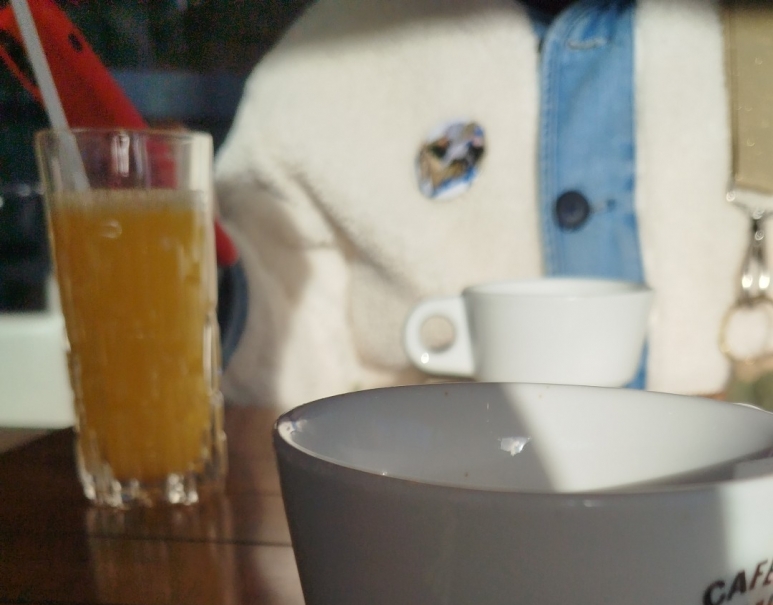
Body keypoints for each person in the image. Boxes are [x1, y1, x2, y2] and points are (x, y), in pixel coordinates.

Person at [214, 0, 750, 412]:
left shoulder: (754, 45)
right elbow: (279, 372)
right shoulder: (323, 64)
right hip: (432, 502)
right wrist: (222, 292)